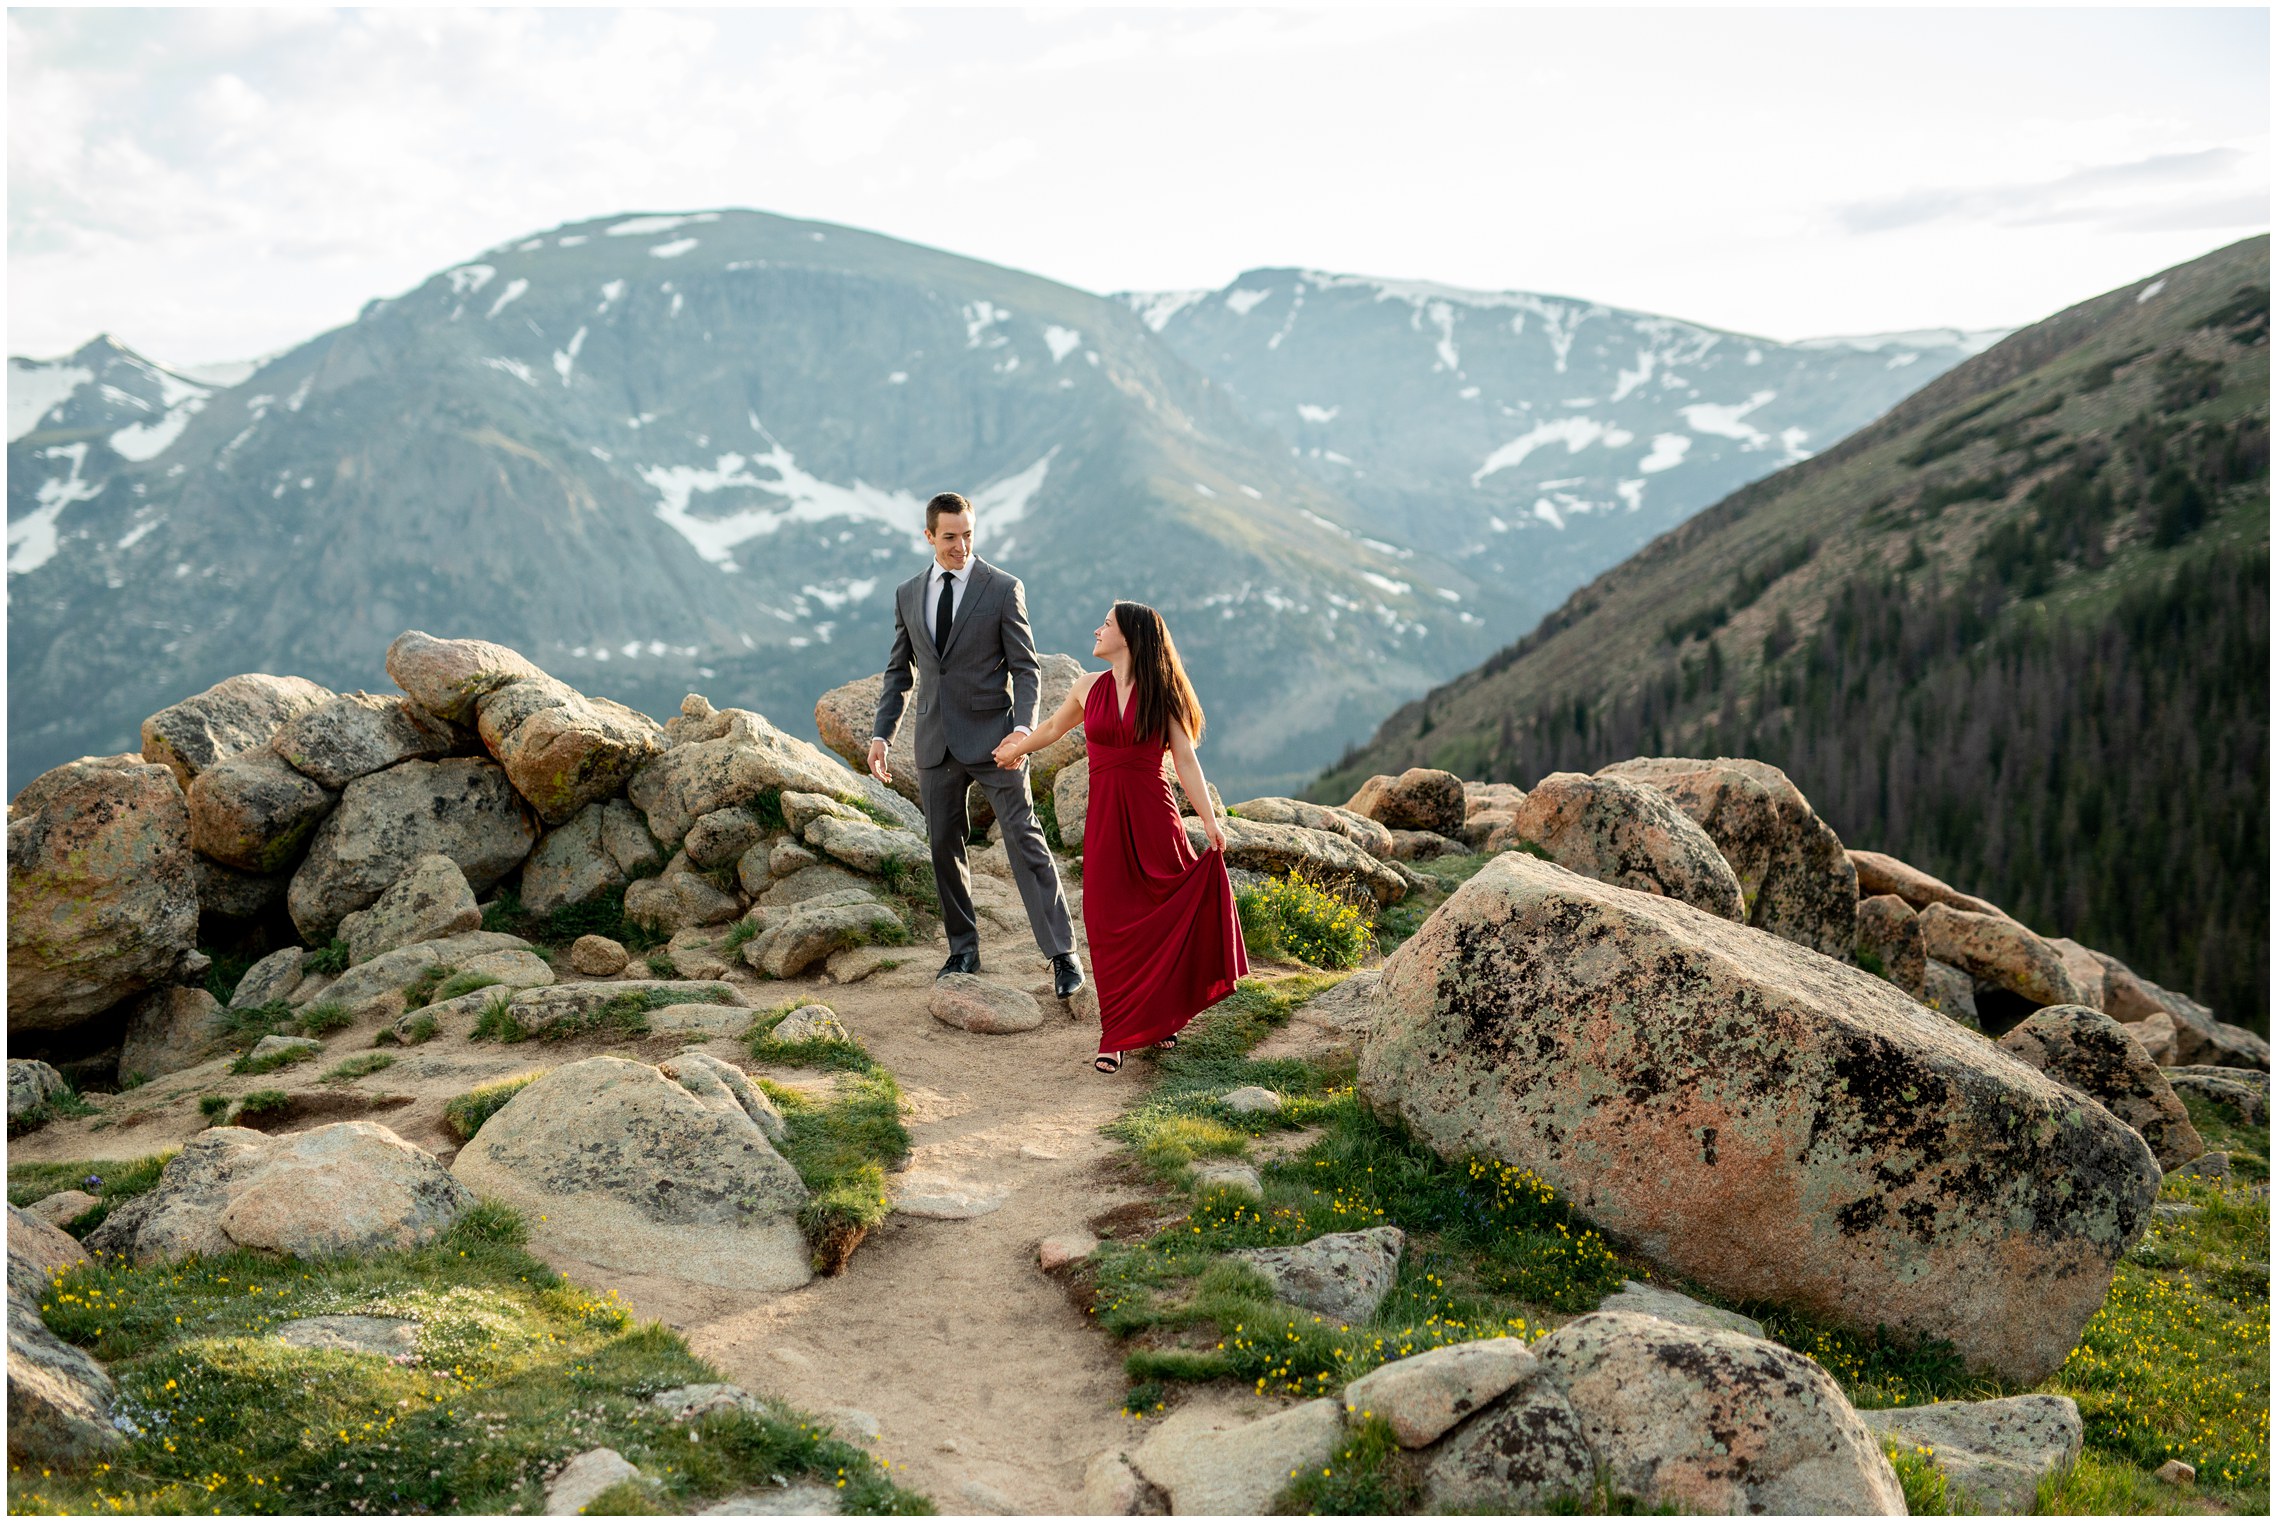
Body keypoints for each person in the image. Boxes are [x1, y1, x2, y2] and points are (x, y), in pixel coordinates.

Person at [995, 601, 1247, 1072]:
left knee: (1159, 913)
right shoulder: (1088, 688)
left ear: (1128, 636)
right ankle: (1117, 1031)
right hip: (1107, 820)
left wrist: (1209, 820)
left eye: (1106, 625)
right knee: (1108, 919)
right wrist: (1017, 748)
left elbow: (1186, 760)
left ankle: (1151, 1018)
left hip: (1155, 817)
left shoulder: (1161, 694)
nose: (1096, 629)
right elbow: (1052, 727)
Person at [869, 492, 1084, 997]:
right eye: (950, 537)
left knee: (1024, 839)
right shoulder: (907, 593)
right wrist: (882, 735)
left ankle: (1063, 957)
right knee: (944, 846)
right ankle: (963, 951)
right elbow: (899, 673)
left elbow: (1026, 668)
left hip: (997, 742)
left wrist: (1024, 731)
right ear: (929, 536)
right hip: (934, 741)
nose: (961, 546)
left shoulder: (1003, 588)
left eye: (968, 534)